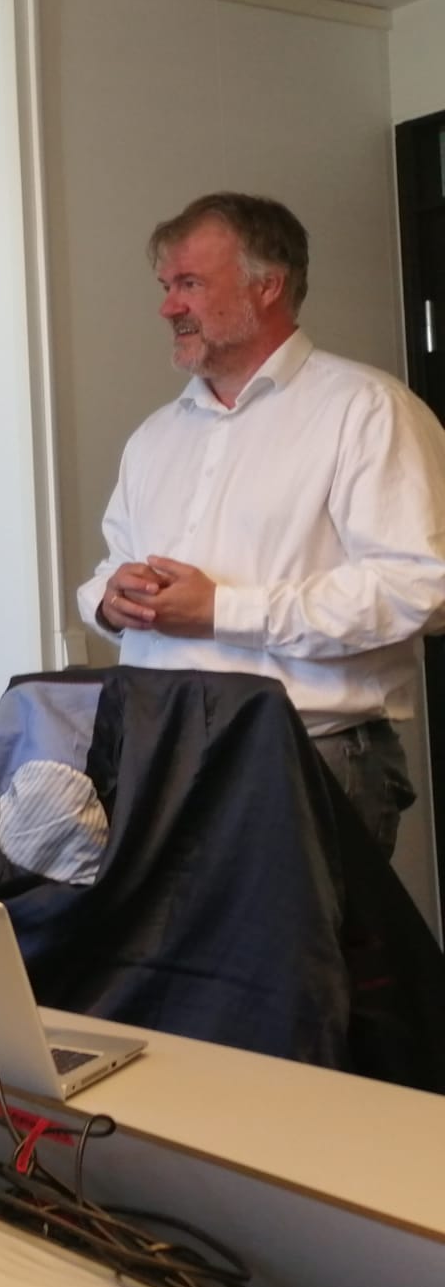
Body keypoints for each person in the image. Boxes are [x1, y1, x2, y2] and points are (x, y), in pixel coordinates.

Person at [77, 193, 445, 856]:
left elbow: (420, 588)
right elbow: (111, 566)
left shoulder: (368, 410)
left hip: (304, 758)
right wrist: (110, 599)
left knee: (304, 936)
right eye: (166, 286)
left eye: (190, 284)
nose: (168, 307)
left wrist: (224, 610)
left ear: (267, 285)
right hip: (155, 761)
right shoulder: (154, 437)